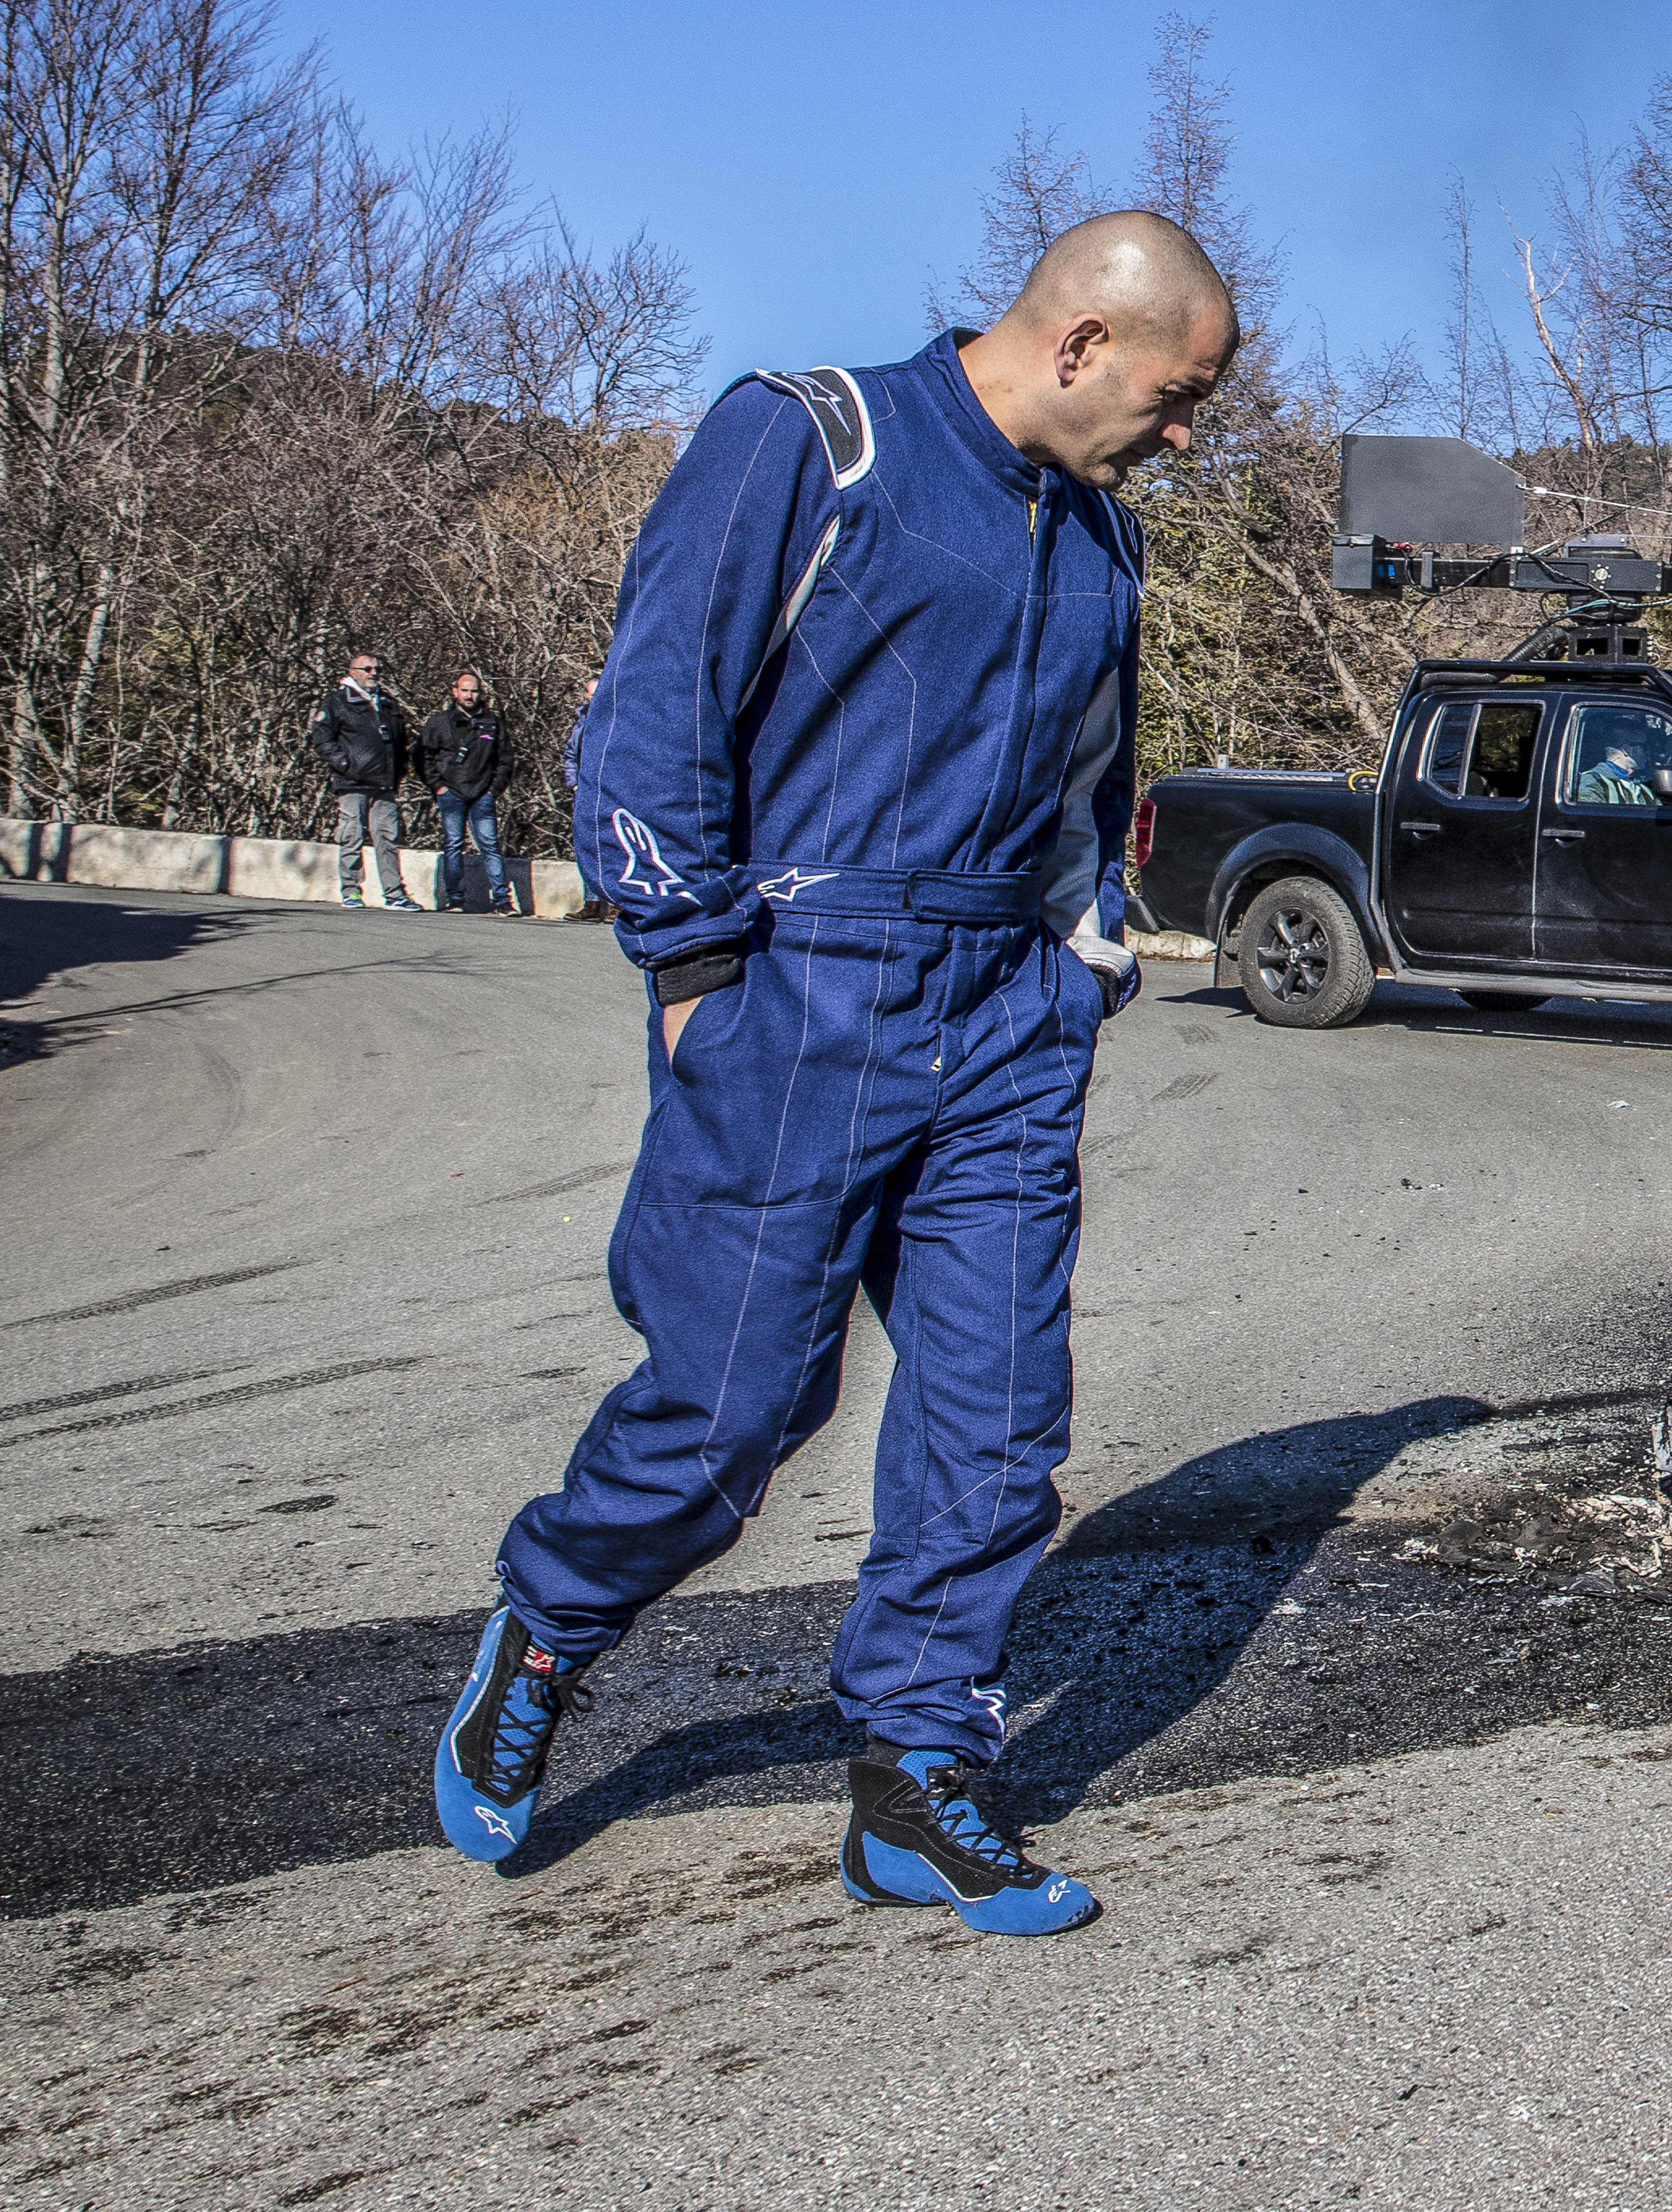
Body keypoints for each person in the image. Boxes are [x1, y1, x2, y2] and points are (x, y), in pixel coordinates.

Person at [431, 212, 1236, 1935]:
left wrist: (1087, 949)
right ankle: (554, 1616)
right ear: (1085, 341)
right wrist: (695, 970)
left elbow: (1100, 779)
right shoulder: (808, 438)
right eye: (1180, 396)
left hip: (1009, 1009)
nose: (1186, 437)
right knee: (735, 1404)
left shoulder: (1100, 539)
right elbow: (652, 714)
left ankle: (915, 1770)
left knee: (993, 1414)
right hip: (805, 985)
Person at [312, 653, 423, 911]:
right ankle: (351, 890)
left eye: (377, 669)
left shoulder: (388, 704)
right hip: (352, 782)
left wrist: (400, 770)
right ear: (353, 672)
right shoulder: (337, 702)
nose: (374, 673)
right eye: (368, 669)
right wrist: (344, 764)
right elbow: (322, 739)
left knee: (388, 838)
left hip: (384, 784)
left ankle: (395, 894)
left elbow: (401, 742)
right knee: (352, 835)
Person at [423, 671, 508, 914]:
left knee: (490, 846)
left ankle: (502, 900)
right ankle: (455, 899)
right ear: (455, 692)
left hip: (483, 795)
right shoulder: (439, 722)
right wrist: (439, 786)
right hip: (451, 794)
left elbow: (505, 759)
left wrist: (493, 790)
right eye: (465, 690)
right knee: (453, 845)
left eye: (474, 691)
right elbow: (424, 756)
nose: (469, 695)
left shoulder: (492, 722)